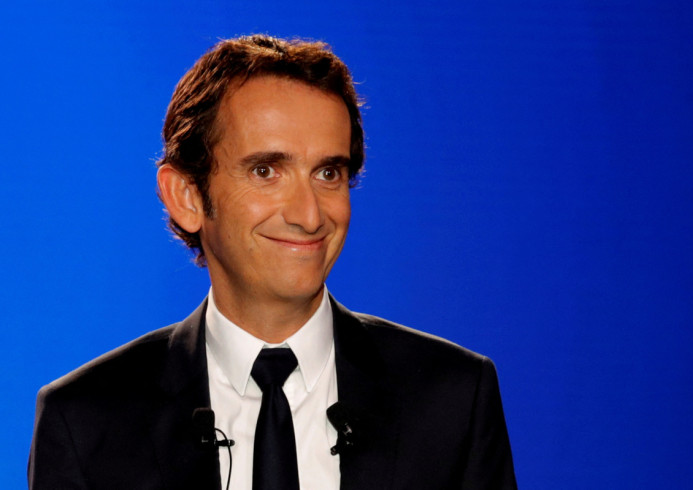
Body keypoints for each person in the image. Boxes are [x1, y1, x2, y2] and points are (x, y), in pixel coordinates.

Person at [28, 35, 516, 490]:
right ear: (187, 196)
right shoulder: (85, 420)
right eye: (266, 171)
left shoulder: (453, 399)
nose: (309, 215)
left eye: (328, 172)